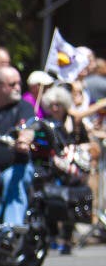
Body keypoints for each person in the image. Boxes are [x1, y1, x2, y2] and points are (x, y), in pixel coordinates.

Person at [40, 85, 91, 255]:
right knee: (50, 197)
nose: (55, 108)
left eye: (59, 104)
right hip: (51, 167)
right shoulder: (44, 123)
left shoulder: (74, 121)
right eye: (52, 105)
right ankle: (52, 236)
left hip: (71, 168)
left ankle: (67, 237)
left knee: (73, 197)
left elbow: (84, 141)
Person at [0, 66, 36, 232]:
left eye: (19, 83)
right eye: (12, 84)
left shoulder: (24, 107)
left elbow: (28, 127)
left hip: (12, 165)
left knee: (13, 179)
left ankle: (10, 232)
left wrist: (24, 140)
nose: (18, 88)